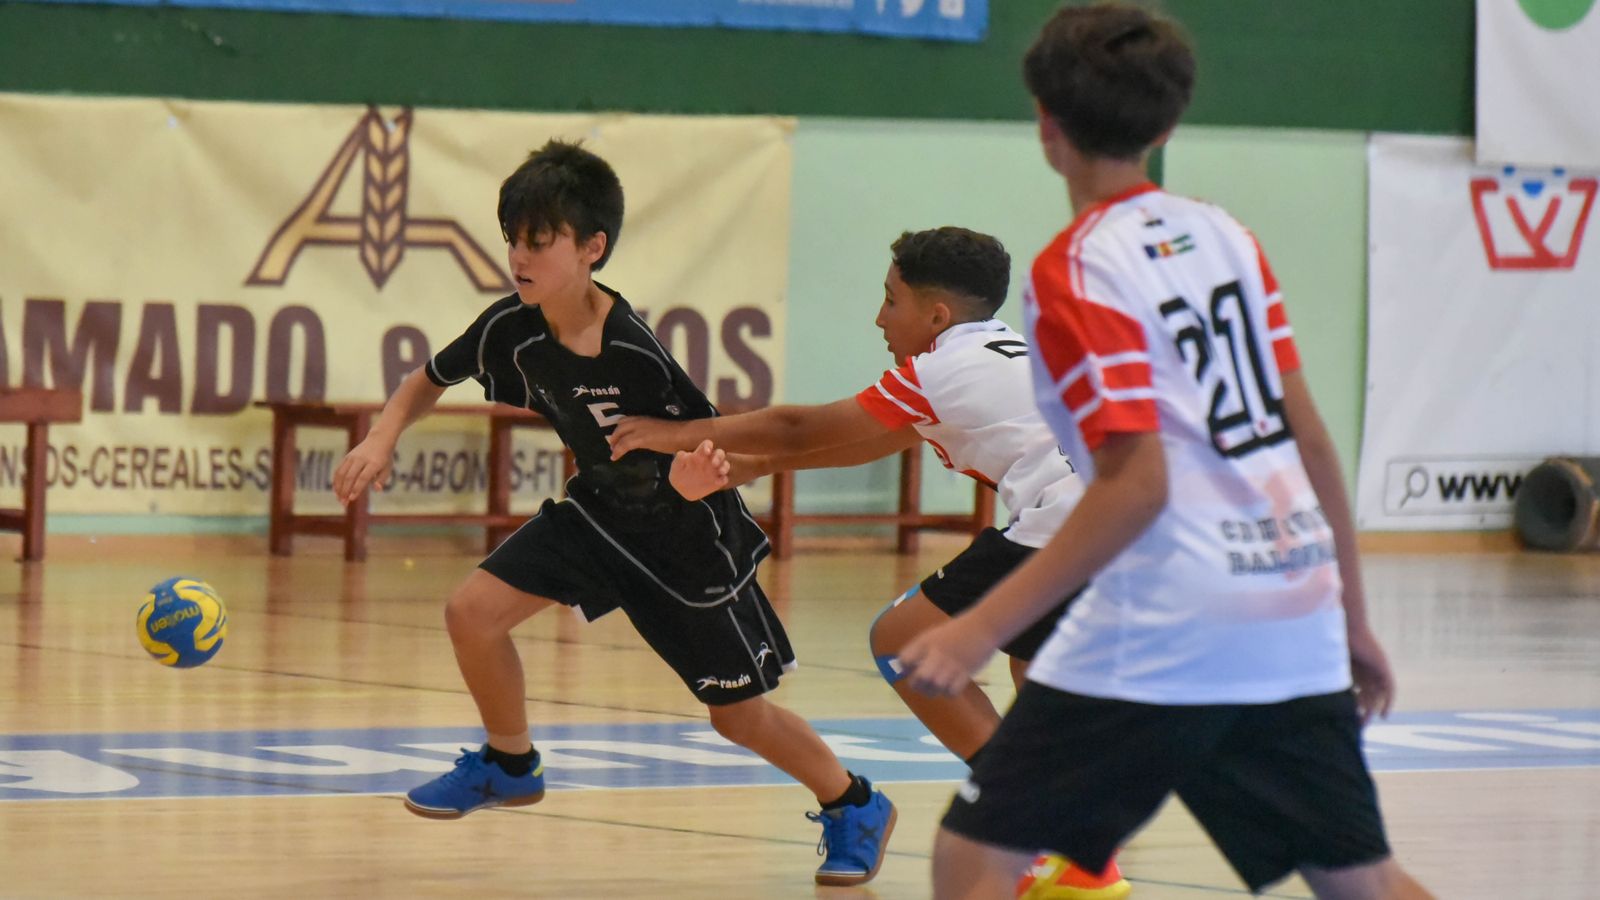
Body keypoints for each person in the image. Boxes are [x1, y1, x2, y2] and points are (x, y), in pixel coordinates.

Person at [895, 5, 1434, 899]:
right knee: (1362, 882)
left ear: (1046, 125)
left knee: (974, 857)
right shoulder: (1226, 236)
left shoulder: (1074, 269)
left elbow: (1136, 484)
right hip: (1289, 598)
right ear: (1168, 122)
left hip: (1173, 611)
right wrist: (1351, 614)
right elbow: (1310, 435)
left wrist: (979, 627)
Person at [330, 139, 895, 888]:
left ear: (592, 247)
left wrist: (695, 482)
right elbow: (427, 378)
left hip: (686, 544)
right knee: (471, 612)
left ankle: (853, 802)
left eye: (539, 240)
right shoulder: (512, 327)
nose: (519, 256)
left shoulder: (635, 354)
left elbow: (732, 453)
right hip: (597, 517)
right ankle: (509, 760)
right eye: (512, 239)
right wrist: (382, 435)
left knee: (738, 716)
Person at [609, 226, 1129, 899]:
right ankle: (1080, 859)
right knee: (1034, 671)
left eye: (891, 300)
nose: (878, 317)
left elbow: (805, 426)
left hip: (1066, 522)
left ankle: (1035, 832)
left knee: (903, 641)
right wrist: (749, 467)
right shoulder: (1000, 355)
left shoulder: (946, 369)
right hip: (1125, 522)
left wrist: (674, 433)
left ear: (935, 315)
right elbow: (869, 440)